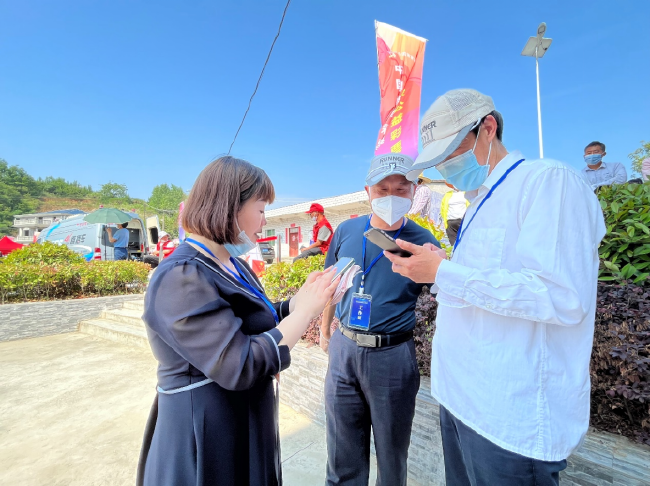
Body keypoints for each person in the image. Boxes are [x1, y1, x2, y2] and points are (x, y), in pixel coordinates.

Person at [385, 89, 606, 486]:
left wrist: (445, 273)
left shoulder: (548, 182)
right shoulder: (478, 203)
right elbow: (483, 286)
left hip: (509, 421)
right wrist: (437, 267)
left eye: (452, 151)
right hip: (460, 402)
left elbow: (561, 295)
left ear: (488, 128)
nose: (446, 166)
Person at [137, 156, 339, 486]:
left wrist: (300, 302)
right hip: (207, 430)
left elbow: (252, 319)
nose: (263, 221)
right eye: (260, 209)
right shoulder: (181, 276)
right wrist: (305, 313)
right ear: (230, 206)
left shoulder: (231, 262)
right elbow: (239, 363)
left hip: (241, 418)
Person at [320, 155, 440, 485]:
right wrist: (324, 332)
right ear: (367, 191)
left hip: (392, 355)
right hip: (343, 349)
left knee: (391, 454)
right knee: (341, 451)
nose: (391, 195)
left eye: (401, 189)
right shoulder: (346, 229)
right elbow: (330, 283)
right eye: (382, 188)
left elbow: (448, 294)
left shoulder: (425, 243)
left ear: (414, 191)